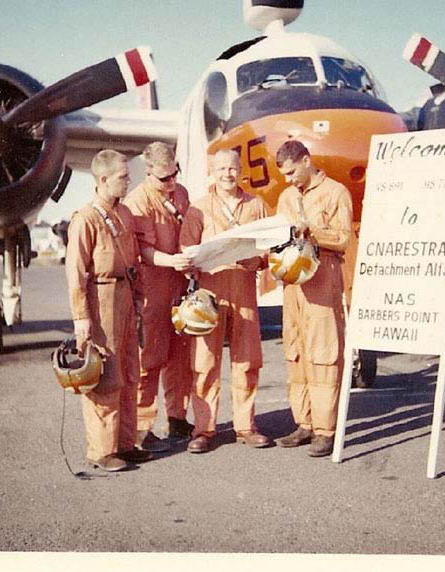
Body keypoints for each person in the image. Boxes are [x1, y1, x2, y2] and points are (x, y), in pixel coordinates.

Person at [179, 149, 272, 453]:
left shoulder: (256, 205)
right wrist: (196, 259)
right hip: (211, 289)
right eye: (221, 169)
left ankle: (246, 426)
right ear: (212, 171)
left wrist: (256, 261)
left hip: (244, 287)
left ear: (240, 169)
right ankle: (204, 428)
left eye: (232, 169)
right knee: (205, 361)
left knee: (247, 359)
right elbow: (186, 249)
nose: (227, 174)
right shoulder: (199, 209)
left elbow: (269, 248)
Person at [65, 149, 152, 471]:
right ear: (103, 179)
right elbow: (76, 272)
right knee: (105, 375)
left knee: (130, 371)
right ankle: (101, 450)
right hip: (100, 300)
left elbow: (135, 260)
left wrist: (139, 297)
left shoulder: (125, 214)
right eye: (123, 177)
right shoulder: (85, 219)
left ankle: (125, 444)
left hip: (126, 296)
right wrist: (81, 318)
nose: (129, 182)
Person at [274, 140, 353, 457]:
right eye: (285, 175)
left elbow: (344, 238)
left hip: (322, 281)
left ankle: (325, 430)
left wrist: (313, 232)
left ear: (307, 161)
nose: (289, 179)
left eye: (292, 172)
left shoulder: (336, 193)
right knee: (295, 351)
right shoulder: (286, 196)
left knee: (323, 354)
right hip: (292, 282)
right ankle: (304, 423)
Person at [123, 142, 195, 452]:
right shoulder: (139, 202)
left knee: (180, 356)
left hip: (180, 284)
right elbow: (143, 251)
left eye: (175, 174)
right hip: (153, 286)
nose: (172, 183)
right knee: (151, 358)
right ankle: (141, 426)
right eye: (164, 178)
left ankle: (177, 417)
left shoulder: (181, 193)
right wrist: (172, 261)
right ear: (148, 172)